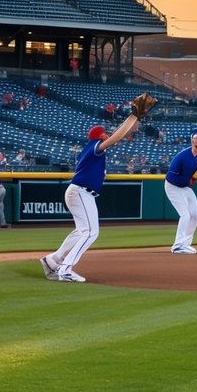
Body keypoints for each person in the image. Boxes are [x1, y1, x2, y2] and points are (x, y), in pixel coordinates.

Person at [41, 93, 155, 283]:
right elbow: (117, 137)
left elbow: (124, 133)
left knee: (81, 231)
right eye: (104, 133)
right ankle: (66, 269)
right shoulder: (95, 145)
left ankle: (53, 261)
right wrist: (133, 116)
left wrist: (134, 119)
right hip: (80, 192)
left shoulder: (92, 149)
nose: (107, 134)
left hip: (79, 192)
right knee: (91, 232)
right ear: (100, 135)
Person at [164, 128, 197, 254]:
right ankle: (177, 246)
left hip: (186, 187)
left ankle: (185, 244)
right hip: (172, 186)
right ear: (193, 140)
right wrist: (189, 180)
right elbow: (172, 177)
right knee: (185, 215)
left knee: (195, 215)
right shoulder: (181, 156)